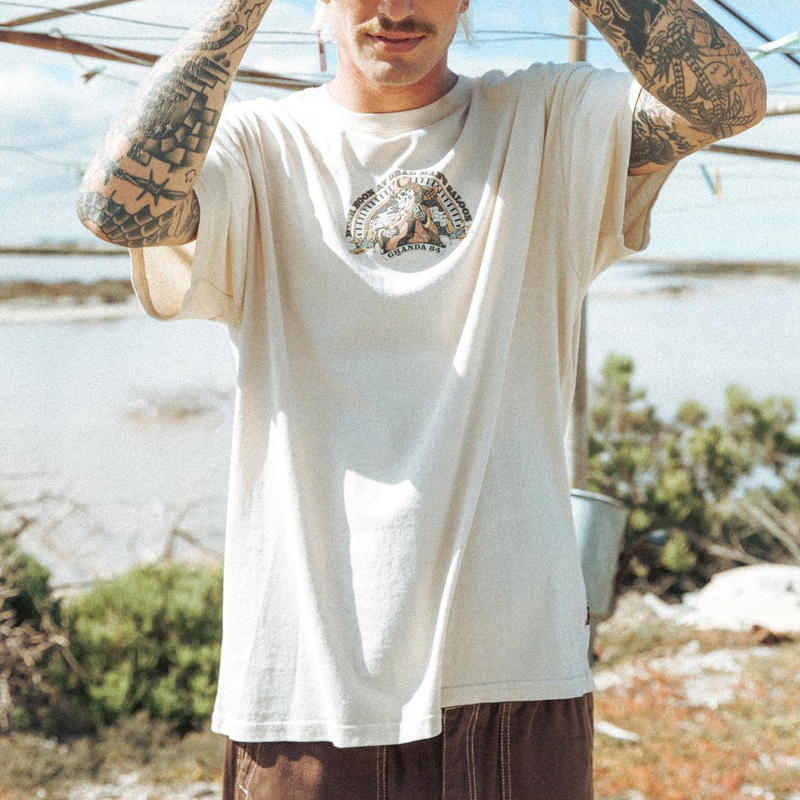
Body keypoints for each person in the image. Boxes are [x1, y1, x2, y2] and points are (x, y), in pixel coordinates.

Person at [76, 0, 766, 797]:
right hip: (303, 678)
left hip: (515, 668)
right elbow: (116, 208)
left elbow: (726, 100)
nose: (397, 8)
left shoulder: (545, 118)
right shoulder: (260, 146)